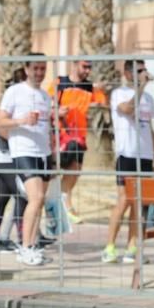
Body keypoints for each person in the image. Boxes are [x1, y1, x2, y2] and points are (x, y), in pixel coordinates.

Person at [0, 54, 69, 266]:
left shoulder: (46, 97)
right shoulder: (14, 92)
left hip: (43, 153)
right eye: (35, 68)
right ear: (26, 69)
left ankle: (32, 245)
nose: (39, 73)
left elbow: (47, 130)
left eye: (42, 69)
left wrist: (53, 158)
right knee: (35, 198)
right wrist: (21, 121)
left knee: (40, 201)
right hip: (24, 152)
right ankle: (25, 247)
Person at [102, 60, 154, 267]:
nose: (142, 74)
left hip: (145, 156)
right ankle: (109, 246)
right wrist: (141, 88)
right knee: (124, 200)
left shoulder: (149, 99)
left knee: (140, 202)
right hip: (127, 155)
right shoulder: (120, 93)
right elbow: (127, 109)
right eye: (137, 71)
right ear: (127, 73)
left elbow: (149, 127)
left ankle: (132, 248)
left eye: (143, 70)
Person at [52, 57, 106, 223]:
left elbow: (103, 104)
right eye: (85, 66)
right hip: (61, 135)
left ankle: (61, 204)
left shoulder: (90, 88)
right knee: (62, 170)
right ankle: (65, 207)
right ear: (74, 64)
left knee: (75, 171)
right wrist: (57, 111)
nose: (87, 71)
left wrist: (103, 93)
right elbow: (47, 103)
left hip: (79, 136)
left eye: (90, 67)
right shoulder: (60, 82)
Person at [0, 68, 30, 253]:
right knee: (22, 196)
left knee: (3, 198)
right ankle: (21, 238)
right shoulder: (14, 100)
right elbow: (2, 128)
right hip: (3, 157)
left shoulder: (15, 99)